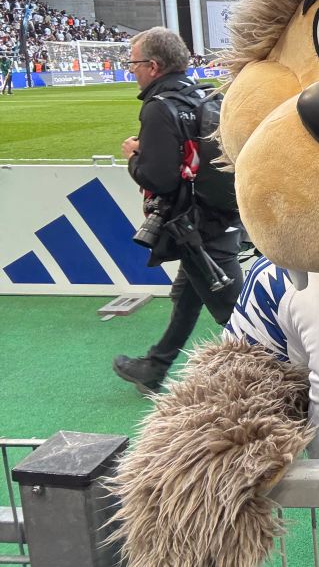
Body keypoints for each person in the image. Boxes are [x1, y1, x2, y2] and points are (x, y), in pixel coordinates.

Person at [113, 27, 244, 395]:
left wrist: (134, 157)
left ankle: (282, 375)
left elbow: (160, 178)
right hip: (216, 215)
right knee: (187, 294)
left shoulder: (159, 107)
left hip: (196, 225)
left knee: (236, 313)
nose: (131, 70)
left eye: (134, 63)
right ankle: (155, 366)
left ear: (153, 66)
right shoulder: (200, 94)